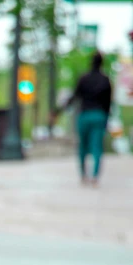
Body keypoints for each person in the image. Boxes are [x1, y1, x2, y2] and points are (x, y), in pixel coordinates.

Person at [54, 51, 112, 186]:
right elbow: (108, 103)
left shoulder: (83, 78)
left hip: (84, 115)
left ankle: (83, 175)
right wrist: (106, 118)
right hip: (99, 115)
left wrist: (58, 111)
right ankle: (95, 177)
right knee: (97, 147)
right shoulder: (105, 80)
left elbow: (74, 97)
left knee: (83, 146)